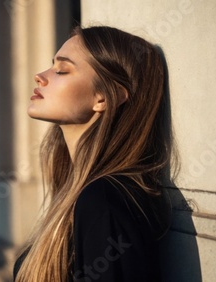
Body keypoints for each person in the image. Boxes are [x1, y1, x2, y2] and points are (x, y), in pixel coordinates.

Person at [14, 25, 173, 282]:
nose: (40, 76)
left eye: (61, 70)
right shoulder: (78, 188)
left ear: (104, 98)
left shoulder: (104, 201)